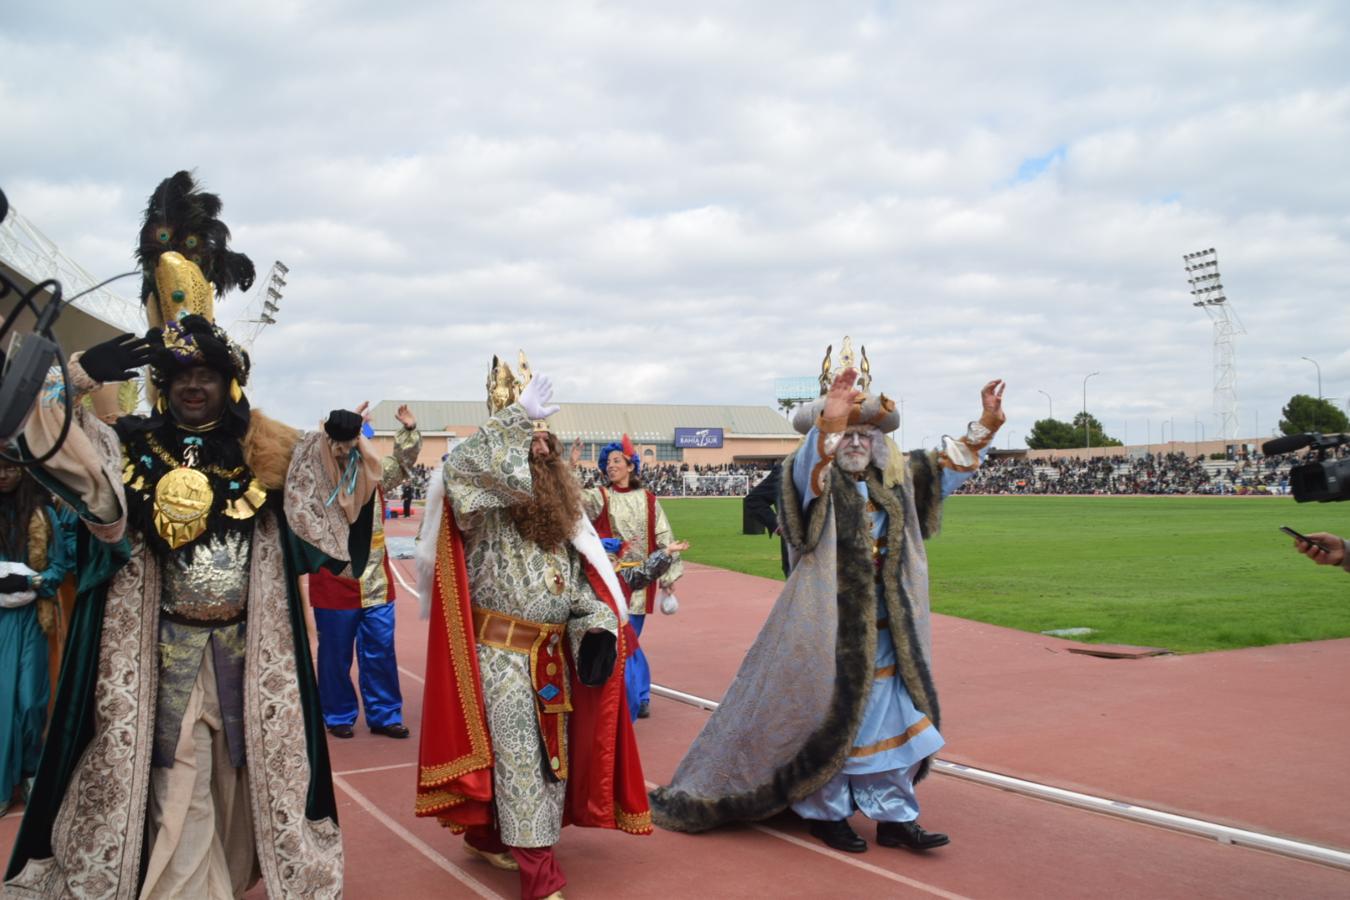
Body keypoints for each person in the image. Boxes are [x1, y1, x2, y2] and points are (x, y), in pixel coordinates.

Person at [5, 171, 379, 898]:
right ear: (165, 385)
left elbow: (333, 510)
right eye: (180, 375)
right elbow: (43, 433)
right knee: (180, 799)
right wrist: (79, 372)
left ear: (228, 384)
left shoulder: (263, 456)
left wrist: (341, 444)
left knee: (235, 796)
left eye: (208, 373)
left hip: (248, 655)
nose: (193, 385)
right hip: (156, 658)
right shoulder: (129, 454)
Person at [649, 336, 1004, 855]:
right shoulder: (811, 474)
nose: (858, 440)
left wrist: (986, 423)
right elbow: (809, 473)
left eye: (866, 431)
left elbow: (950, 463)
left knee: (894, 719)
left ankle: (895, 816)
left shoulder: (897, 479)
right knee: (830, 717)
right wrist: (829, 424)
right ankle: (826, 812)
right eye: (849, 432)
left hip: (891, 628)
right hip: (829, 629)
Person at [416, 357, 651, 900]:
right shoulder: (481, 506)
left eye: (545, 437)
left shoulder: (563, 516)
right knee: (524, 763)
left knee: (548, 762)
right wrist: (514, 420)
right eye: (530, 437)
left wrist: (595, 627)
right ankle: (540, 880)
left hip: (549, 660)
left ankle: (484, 832)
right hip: (497, 656)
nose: (540, 448)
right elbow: (461, 468)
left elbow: (578, 591)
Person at [308, 403, 421, 740]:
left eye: (353, 437)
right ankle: (338, 713)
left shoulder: (374, 470)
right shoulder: (318, 471)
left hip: (374, 580)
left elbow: (402, 463)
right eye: (342, 438)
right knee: (334, 656)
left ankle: (385, 714)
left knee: (380, 652)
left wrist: (410, 431)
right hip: (333, 579)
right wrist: (331, 432)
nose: (347, 445)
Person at [570, 434, 683, 720]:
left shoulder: (648, 499)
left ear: (631, 465)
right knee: (624, 639)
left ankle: (634, 700)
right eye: (607, 462)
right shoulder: (600, 496)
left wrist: (668, 576)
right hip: (610, 581)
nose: (611, 466)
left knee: (627, 638)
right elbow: (571, 502)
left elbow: (663, 536)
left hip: (641, 581)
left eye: (617, 461)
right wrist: (571, 466)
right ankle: (638, 697)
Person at [0, 466, 72, 818]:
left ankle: (30, 772)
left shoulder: (44, 512)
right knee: (1, 704)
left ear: (23, 471)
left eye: (10, 467)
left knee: (30, 701)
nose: (2, 474)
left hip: (33, 617)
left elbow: (61, 563)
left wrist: (34, 581)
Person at [743, 461, 789, 576]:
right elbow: (753, 500)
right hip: (795, 557)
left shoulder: (835, 470)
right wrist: (777, 525)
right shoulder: (784, 471)